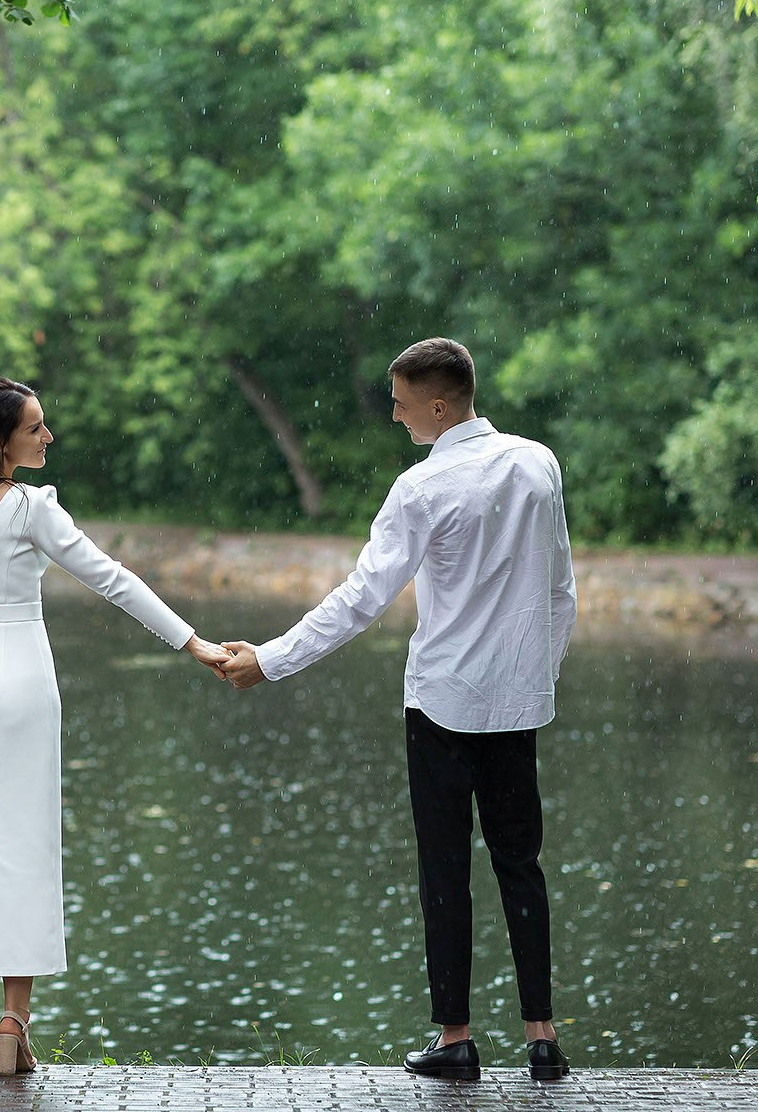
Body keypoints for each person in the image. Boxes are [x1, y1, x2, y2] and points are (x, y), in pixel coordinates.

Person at [217, 338, 577, 1083]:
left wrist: (272, 659)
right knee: (522, 864)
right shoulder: (539, 463)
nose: (394, 413)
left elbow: (361, 600)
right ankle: (542, 1038)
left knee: (445, 869)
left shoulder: (421, 488)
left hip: (443, 704)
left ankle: (456, 1038)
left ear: (439, 407)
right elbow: (560, 590)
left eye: (403, 402)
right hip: (517, 705)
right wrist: (535, 676)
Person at [0, 376, 231, 1077]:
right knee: (23, 843)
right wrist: (192, 641)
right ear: (0, 442)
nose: (47, 437)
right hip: (21, 682)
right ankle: (14, 1022)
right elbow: (111, 578)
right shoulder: (31, 509)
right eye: (35, 428)